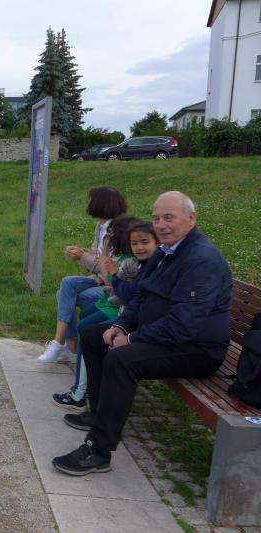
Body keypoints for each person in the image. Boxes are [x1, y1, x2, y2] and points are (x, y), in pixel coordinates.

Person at [52, 191, 232, 476]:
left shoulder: (201, 259)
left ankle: (98, 450)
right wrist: (121, 326)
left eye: (169, 218)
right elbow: (141, 296)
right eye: (156, 218)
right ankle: (98, 414)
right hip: (164, 335)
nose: (161, 225)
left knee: (121, 360)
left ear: (191, 218)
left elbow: (184, 324)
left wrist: (132, 339)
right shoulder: (166, 251)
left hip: (197, 348)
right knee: (93, 336)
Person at [52, 218, 158, 411]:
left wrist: (112, 271)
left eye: (145, 242)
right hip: (126, 314)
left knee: (87, 331)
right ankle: (83, 383)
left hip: (126, 315)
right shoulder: (139, 262)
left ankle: (80, 393)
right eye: (135, 243)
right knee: (84, 320)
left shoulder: (133, 263)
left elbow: (122, 292)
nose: (139, 247)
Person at [37, 187, 128, 363]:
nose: (88, 204)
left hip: (112, 287)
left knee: (64, 295)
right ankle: (65, 346)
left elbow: (109, 266)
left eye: (90, 200)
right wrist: (83, 252)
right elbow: (97, 254)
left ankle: (65, 346)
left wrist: (82, 257)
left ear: (102, 203)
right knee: (67, 283)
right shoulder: (101, 226)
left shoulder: (119, 230)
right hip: (98, 279)